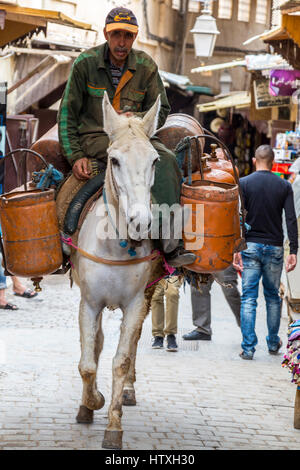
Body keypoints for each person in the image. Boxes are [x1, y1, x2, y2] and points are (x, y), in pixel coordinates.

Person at [57, 6, 195, 268]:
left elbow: (162, 108)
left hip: (137, 137)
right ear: (106, 34)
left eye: (128, 36)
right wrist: (75, 156)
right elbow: (66, 115)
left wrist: (137, 117)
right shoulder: (84, 64)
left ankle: (169, 239)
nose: (122, 42)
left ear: (135, 36)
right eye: (117, 34)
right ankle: (65, 238)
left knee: (165, 159)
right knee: (76, 177)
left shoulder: (146, 65)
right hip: (97, 140)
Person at [233, 145, 298, 360]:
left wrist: (236, 248)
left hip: (250, 246)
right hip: (275, 246)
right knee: (272, 297)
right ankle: (272, 342)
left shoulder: (244, 183)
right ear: (272, 161)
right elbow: (290, 219)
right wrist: (294, 250)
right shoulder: (283, 186)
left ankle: (249, 347)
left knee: (249, 298)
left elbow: (238, 217)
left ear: (254, 160)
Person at [182, 265, 241, 341]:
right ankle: (203, 330)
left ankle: (246, 327)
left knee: (230, 292)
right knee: (198, 288)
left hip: (223, 257)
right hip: (202, 257)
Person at [151, 276, 183, 351]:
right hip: (156, 269)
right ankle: (158, 335)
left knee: (172, 294)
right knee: (155, 297)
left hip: (174, 269)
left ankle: (171, 334)